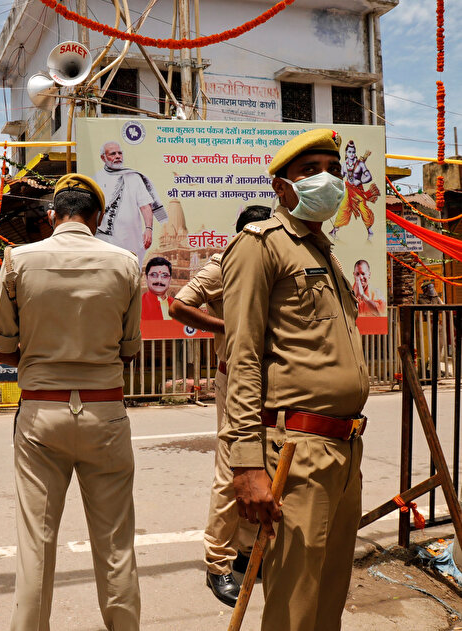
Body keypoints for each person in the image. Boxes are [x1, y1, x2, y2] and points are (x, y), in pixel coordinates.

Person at [221, 129, 369, 631]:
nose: (326, 179)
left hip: (345, 449)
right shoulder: (260, 245)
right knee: (293, 609)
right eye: (310, 171)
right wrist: (245, 464)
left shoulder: (324, 252)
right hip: (296, 450)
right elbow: (241, 356)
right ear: (282, 187)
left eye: (332, 167)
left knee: (328, 602)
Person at [0, 174, 142, 631]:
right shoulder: (126, 263)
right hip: (105, 412)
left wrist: (38, 355)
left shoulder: (18, 260)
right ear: (97, 217)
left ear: (53, 216)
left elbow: (1, 349)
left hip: (41, 412)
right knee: (115, 544)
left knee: (36, 543)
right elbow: (129, 349)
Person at [169, 205, 271, 608]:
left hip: (270, 378)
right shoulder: (223, 263)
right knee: (233, 467)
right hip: (237, 376)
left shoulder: (271, 262)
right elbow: (178, 306)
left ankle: (248, 552)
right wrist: (230, 328)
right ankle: (218, 563)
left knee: (261, 464)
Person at [93, 140, 166, 263]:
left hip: (130, 240)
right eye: (112, 154)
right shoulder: (96, 179)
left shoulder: (133, 177)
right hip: (104, 240)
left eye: (119, 153)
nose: (117, 156)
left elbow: (145, 206)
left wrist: (149, 229)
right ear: (103, 157)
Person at [330, 140, 379, 240]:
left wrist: (360, 180)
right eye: (349, 152)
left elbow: (369, 177)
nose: (351, 154)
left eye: (353, 152)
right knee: (343, 207)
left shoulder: (360, 164)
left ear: (355, 153)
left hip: (358, 190)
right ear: (346, 153)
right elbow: (341, 177)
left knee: (363, 208)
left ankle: (369, 230)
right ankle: (334, 229)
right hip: (348, 189)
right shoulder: (344, 165)